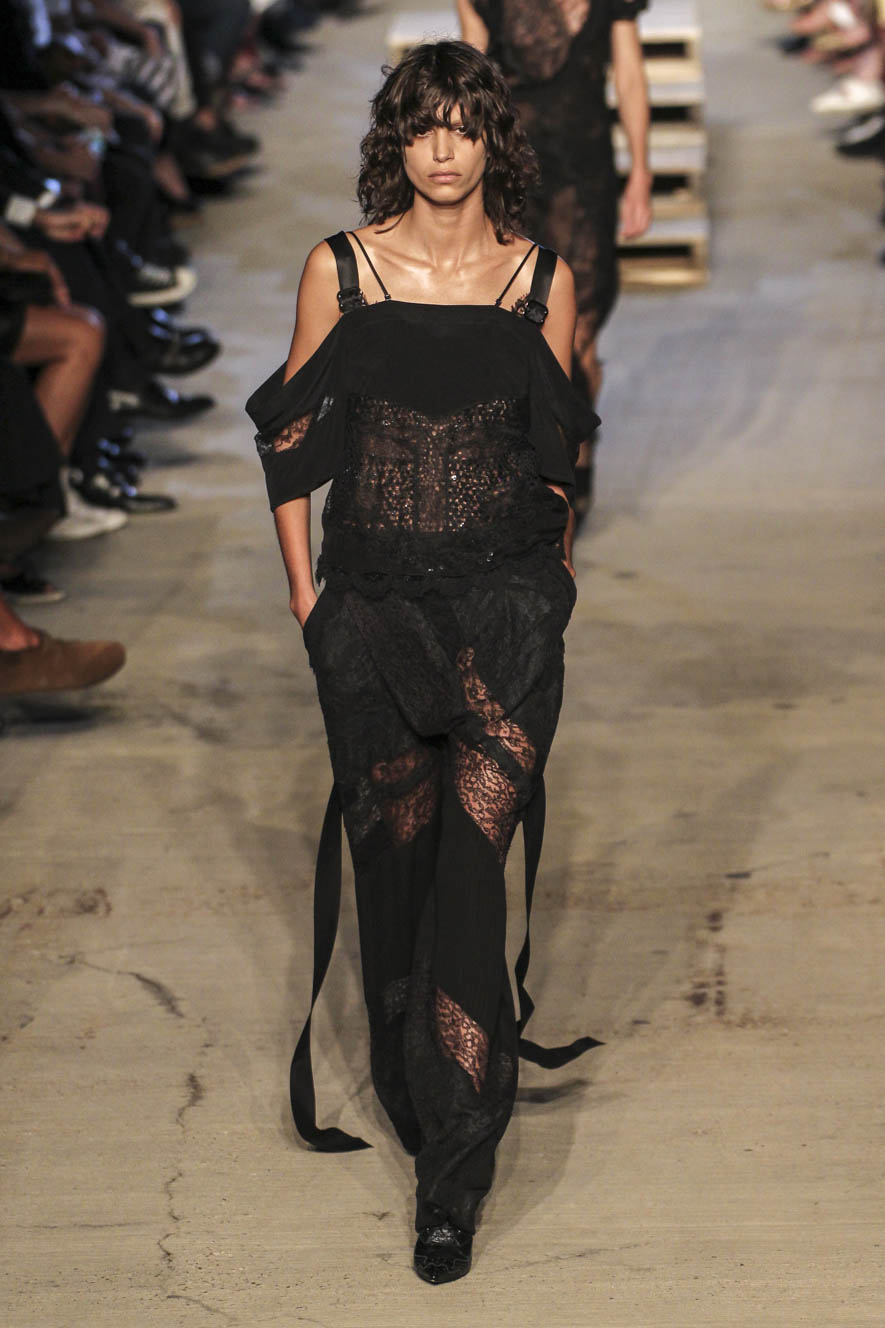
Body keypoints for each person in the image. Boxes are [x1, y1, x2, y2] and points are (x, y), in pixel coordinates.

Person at [246, 41, 600, 1285]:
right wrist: (309, 599)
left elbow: (559, 453)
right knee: (393, 880)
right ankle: (422, 1093)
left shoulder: (540, 280)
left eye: (463, 125)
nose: (443, 150)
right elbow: (293, 444)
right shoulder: (340, 271)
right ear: (393, 140)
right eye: (421, 125)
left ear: (494, 138)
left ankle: (452, 1178)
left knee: (466, 884)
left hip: (505, 621)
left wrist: (553, 589)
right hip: (374, 616)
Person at [458, 0, 652, 521]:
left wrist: (640, 172)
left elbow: (629, 76)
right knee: (519, 332)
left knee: (579, 334)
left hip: (585, 170)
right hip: (511, 175)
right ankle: (537, 468)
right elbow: (471, 82)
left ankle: (574, 462)